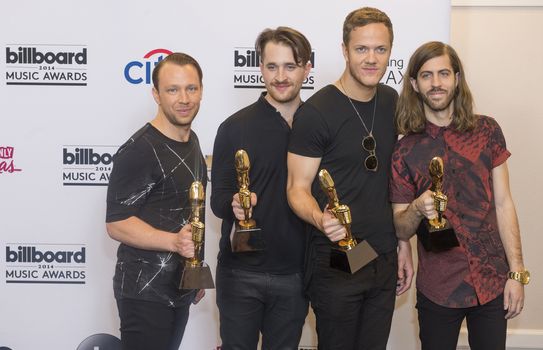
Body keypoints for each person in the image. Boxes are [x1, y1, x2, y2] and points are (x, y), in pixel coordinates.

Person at [286, 7, 413, 350]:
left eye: (380, 49)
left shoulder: (391, 101)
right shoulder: (316, 113)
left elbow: (395, 184)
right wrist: (319, 218)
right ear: (344, 50)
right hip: (334, 261)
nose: (371, 59)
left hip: (383, 256)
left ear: (389, 51)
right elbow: (296, 189)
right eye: (361, 49)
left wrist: (403, 246)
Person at [390, 41, 528, 350]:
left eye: (443, 73)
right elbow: (400, 227)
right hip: (438, 287)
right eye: (426, 75)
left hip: (492, 281)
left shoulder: (487, 130)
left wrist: (517, 273)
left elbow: (504, 205)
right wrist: (416, 207)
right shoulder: (404, 150)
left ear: (456, 78)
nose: (436, 83)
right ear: (414, 83)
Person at [210, 27, 311, 350]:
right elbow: (218, 199)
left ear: (307, 69)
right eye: (272, 67)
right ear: (260, 69)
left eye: (290, 66)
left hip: (297, 276)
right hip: (241, 276)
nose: (280, 76)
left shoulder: (320, 125)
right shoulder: (234, 127)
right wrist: (233, 206)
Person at [105, 52, 207, 350]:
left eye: (191, 88)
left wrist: (195, 271)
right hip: (143, 292)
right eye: (172, 90)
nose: (184, 98)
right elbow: (116, 223)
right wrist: (174, 242)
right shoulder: (139, 150)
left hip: (179, 287)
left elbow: (191, 216)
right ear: (156, 95)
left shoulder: (192, 141)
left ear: (201, 90)